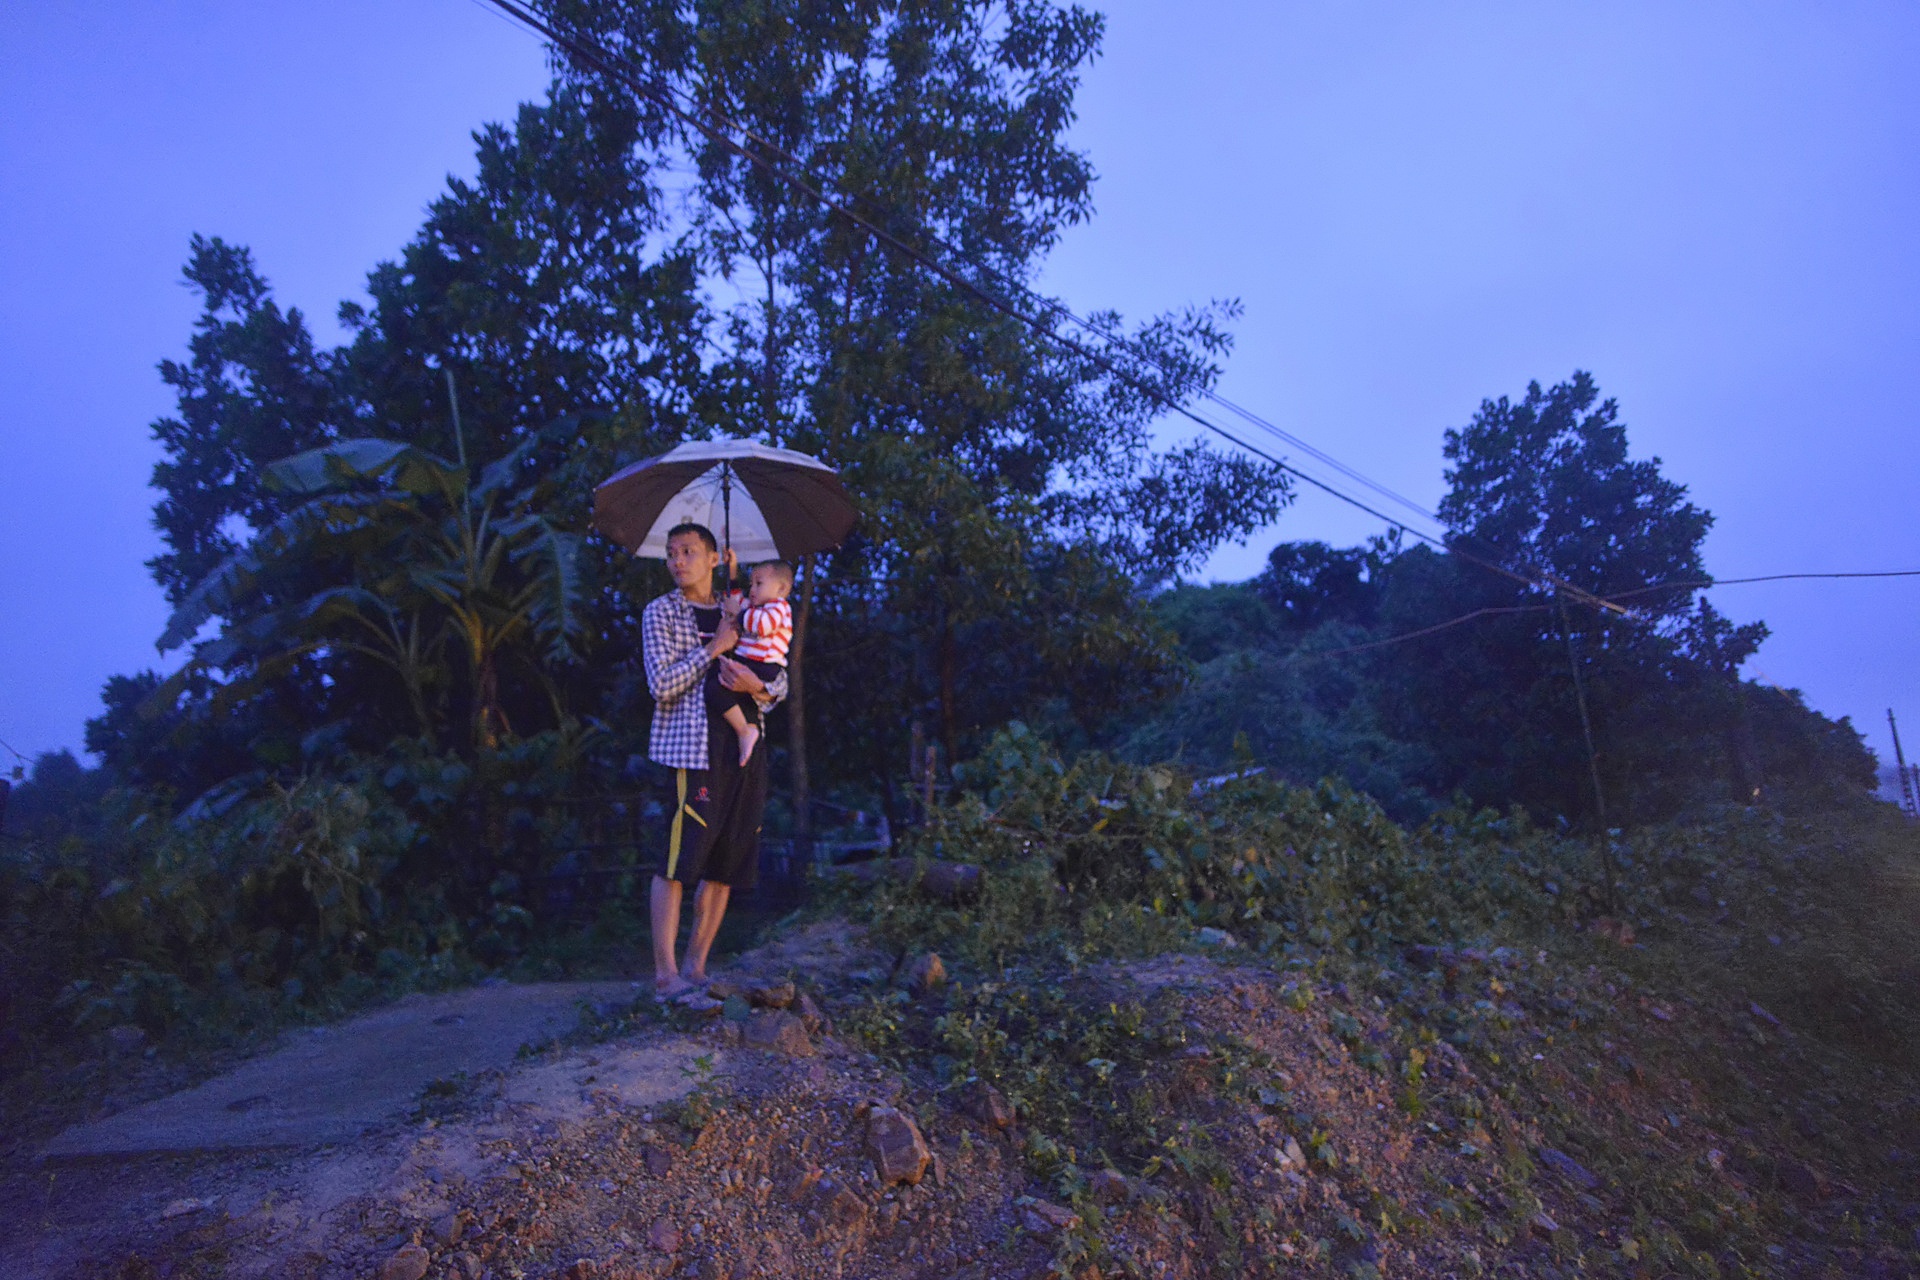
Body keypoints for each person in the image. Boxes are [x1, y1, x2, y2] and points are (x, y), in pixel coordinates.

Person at [642, 522, 786, 1004]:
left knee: (725, 862)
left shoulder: (742, 608)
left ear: (713, 557)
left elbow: (776, 672)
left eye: (688, 551)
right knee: (679, 859)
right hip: (692, 749)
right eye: (671, 553)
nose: (677, 561)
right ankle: (666, 976)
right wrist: (714, 648)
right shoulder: (661, 612)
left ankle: (696, 967)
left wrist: (759, 688)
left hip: (745, 747)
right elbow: (661, 686)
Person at [704, 554, 794, 766]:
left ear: (781, 589)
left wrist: (740, 614)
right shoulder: (753, 607)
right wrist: (732, 570)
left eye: (759, 584)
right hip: (748, 663)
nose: (752, 589)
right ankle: (745, 729)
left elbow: (762, 625)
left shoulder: (779, 607)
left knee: (718, 687)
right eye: (751, 583)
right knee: (714, 688)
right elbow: (736, 600)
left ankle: (746, 731)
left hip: (764, 666)